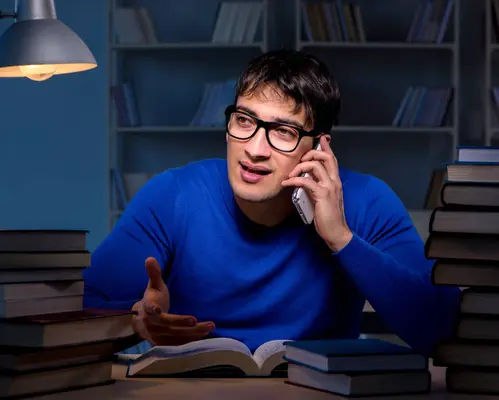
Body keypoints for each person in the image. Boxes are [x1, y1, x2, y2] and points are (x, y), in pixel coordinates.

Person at [83, 49, 460, 357]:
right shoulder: (173, 195)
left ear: (320, 147)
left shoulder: (367, 202)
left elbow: (443, 333)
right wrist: (134, 323)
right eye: (245, 121)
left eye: (283, 132)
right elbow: (75, 314)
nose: (255, 150)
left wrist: (341, 240)